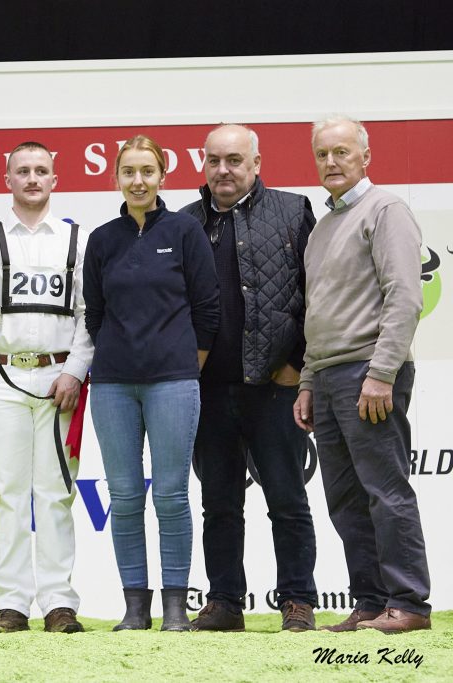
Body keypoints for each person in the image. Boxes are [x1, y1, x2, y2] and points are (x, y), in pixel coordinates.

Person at [0, 142, 92, 634]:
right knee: (8, 492)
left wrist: (75, 369)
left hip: (58, 378)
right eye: (23, 171)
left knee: (56, 493)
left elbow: (88, 316)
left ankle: (58, 603)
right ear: (7, 180)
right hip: (1, 373)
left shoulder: (77, 240)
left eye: (41, 171)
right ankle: (11, 603)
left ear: (55, 180)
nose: (32, 178)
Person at [294, 115, 431, 634]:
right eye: (323, 153)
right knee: (347, 497)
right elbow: (316, 311)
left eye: (342, 152)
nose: (331, 162)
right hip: (328, 377)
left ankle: (410, 603)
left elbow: (405, 297)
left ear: (365, 158)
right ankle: (372, 603)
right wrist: (308, 380)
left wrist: (381, 373)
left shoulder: (387, 209)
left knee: (385, 490)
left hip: (369, 374)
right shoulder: (323, 226)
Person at [180, 124, 318, 632]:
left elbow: (314, 294)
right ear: (203, 163)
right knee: (218, 503)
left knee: (287, 498)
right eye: (214, 160)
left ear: (256, 163)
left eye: (235, 160)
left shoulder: (292, 210)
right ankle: (224, 602)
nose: (224, 170)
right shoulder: (184, 222)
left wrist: (298, 365)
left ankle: (298, 600)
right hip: (208, 390)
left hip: (274, 386)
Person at [84, 135, 219, 631]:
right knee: (123, 497)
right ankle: (135, 608)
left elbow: (208, 310)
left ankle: (176, 609)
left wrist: (185, 362)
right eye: (128, 172)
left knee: (170, 495)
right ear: (116, 177)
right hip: (114, 385)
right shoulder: (102, 239)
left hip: (174, 382)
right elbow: (95, 315)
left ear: (163, 175)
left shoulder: (184, 231)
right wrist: (124, 356)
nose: (137, 181)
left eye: (147, 171)